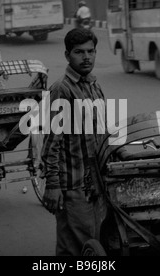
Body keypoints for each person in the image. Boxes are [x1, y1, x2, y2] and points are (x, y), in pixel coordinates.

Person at [42, 28, 129, 256]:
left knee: (72, 246)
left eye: (91, 51)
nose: (86, 57)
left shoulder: (93, 86)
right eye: (79, 52)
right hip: (72, 186)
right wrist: (52, 186)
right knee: (85, 245)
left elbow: (102, 132)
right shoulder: (62, 89)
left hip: (95, 183)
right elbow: (52, 143)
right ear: (67, 55)